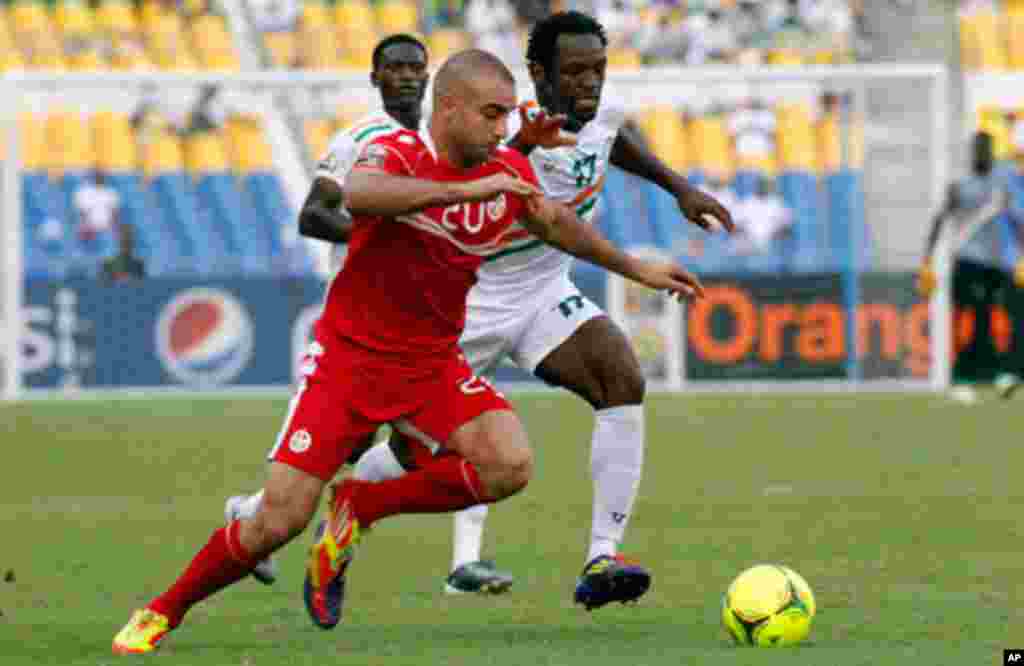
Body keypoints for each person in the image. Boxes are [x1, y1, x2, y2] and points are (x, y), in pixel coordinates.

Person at [112, 48, 704, 654]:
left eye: (507, 118)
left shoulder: (501, 168)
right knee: (276, 522)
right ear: (449, 109)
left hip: (429, 364)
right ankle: (162, 611)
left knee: (509, 465)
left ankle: (359, 503)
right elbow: (361, 194)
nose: (504, 130)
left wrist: (635, 267)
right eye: (492, 116)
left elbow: (554, 222)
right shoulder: (395, 149)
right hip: (347, 363)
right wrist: (473, 185)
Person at [235, 13, 733, 605]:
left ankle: (602, 556)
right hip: (465, 299)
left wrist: (679, 187)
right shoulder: (498, 121)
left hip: (543, 290)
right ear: (537, 75)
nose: (589, 84)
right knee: (381, 451)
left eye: (597, 70)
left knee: (621, 376)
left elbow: (612, 138)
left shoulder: (599, 108)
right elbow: (486, 175)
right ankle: (267, 517)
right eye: (574, 72)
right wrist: (523, 142)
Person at [918, 130, 1023, 399]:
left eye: (986, 150)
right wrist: (927, 260)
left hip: (997, 263)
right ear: (972, 154)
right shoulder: (960, 186)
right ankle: (960, 378)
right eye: (978, 150)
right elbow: (939, 220)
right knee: (966, 320)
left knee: (996, 320)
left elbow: (1016, 223)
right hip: (966, 261)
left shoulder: (1001, 187)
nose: (982, 155)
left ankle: (1000, 375)